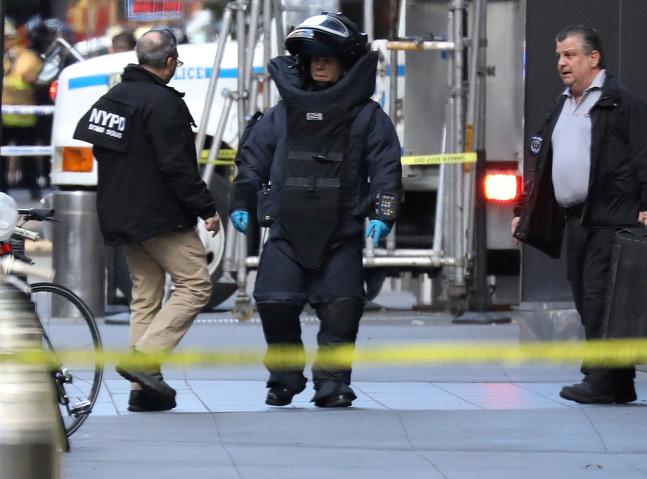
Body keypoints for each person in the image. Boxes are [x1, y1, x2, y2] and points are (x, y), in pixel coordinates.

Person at [230, 12, 402, 408]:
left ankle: (332, 384)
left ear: (346, 62)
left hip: (341, 233)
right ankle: (285, 378)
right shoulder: (281, 114)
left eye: (328, 57)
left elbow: (386, 169)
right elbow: (252, 160)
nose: (319, 64)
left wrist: (383, 213)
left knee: (342, 311)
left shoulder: (367, 117)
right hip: (286, 231)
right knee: (273, 303)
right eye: (313, 57)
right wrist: (241, 199)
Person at [73, 29, 221, 412]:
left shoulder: (112, 98)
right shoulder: (163, 103)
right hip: (160, 217)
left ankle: (144, 393)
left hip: (119, 214)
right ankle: (144, 362)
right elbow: (177, 166)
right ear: (170, 62)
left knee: (146, 295)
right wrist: (206, 208)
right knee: (196, 286)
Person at [512, 24, 647, 404]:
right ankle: (619, 382)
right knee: (586, 296)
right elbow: (543, 161)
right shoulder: (562, 103)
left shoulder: (620, 101)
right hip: (575, 220)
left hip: (612, 219)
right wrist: (522, 210)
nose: (561, 63)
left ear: (594, 58)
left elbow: (645, 155)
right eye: (558, 55)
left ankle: (600, 379)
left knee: (600, 299)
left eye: (570, 55)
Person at [2, 18, 43, 198]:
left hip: (25, 115)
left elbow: (27, 78)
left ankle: (32, 185)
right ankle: (3, 188)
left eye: (6, 38)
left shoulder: (28, 57)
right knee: (2, 156)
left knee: (28, 154)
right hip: (4, 116)